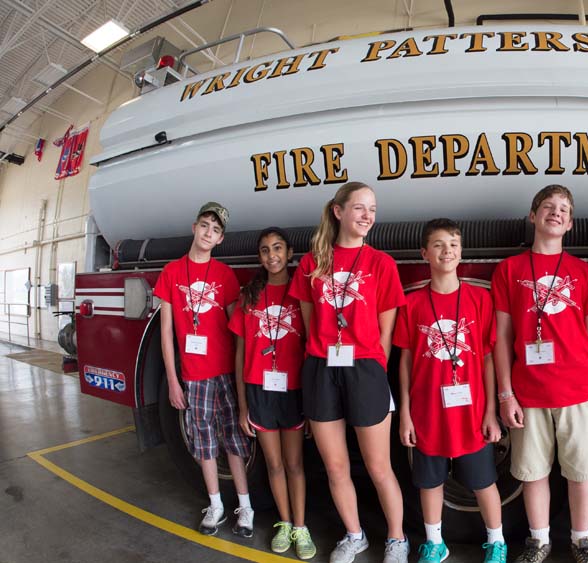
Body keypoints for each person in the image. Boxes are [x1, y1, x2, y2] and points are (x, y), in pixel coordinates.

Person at [288, 182, 409, 563]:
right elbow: (309, 325)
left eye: (372, 209)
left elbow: (387, 330)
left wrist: (374, 368)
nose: (367, 216)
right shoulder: (312, 263)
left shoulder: (381, 264)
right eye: (359, 208)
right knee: (335, 465)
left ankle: (396, 539)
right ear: (338, 211)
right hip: (321, 369)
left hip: (365, 369)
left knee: (378, 466)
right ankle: (354, 535)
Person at [493, 185, 588, 563]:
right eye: (548, 207)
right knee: (532, 473)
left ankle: (582, 541)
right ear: (533, 216)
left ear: (571, 224)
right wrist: (505, 394)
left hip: (578, 391)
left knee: (582, 473)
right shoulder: (509, 270)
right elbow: (502, 337)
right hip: (528, 394)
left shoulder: (582, 272)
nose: (555, 213)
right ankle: (538, 541)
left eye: (563, 209)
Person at [394, 218, 507, 563]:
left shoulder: (479, 299)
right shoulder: (412, 305)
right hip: (428, 413)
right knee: (429, 483)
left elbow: (488, 359)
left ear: (462, 252)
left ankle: (496, 541)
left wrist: (490, 411)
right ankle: (434, 543)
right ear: (424, 253)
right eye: (439, 245)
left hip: (471, 413)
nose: (447, 251)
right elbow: (406, 362)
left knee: (483, 481)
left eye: (454, 244)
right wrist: (406, 415)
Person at [154, 202, 253, 537]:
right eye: (205, 225)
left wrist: (244, 376)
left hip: (224, 372)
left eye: (215, 230)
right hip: (194, 375)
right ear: (194, 227)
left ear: (220, 239)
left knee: (234, 441)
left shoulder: (224, 275)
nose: (208, 233)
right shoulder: (170, 273)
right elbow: (166, 332)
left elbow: (235, 328)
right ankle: (216, 505)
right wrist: (172, 380)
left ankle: (245, 506)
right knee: (204, 443)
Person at [230, 227, 316, 559]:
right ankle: (283, 522)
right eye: (265, 250)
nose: (272, 255)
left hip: (292, 391)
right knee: (274, 463)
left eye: (277, 248)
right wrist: (242, 406)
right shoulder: (249, 297)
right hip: (260, 390)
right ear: (260, 257)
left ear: (290, 253)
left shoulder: (301, 293)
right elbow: (240, 354)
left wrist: (310, 404)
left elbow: (312, 347)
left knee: (295, 464)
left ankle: (301, 526)